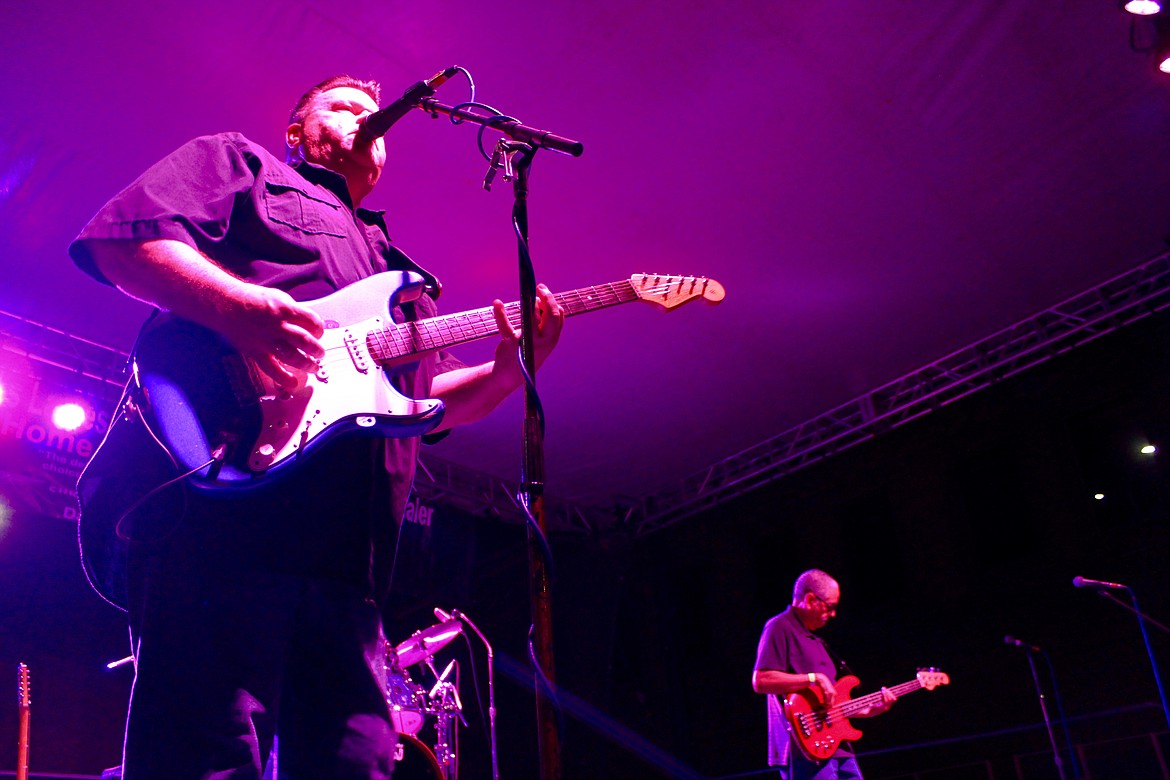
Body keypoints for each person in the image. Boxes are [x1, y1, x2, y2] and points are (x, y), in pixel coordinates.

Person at [68, 74, 564, 780]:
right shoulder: (240, 165)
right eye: (342, 105)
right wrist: (243, 308)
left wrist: (512, 370)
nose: (365, 116)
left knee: (355, 765)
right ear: (296, 131)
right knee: (201, 753)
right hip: (221, 522)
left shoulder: (399, 273)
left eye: (373, 113)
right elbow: (126, 244)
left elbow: (427, 401)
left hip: (349, 568)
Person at [752, 569, 896, 780]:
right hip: (802, 748)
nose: (833, 614)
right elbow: (761, 680)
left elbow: (832, 705)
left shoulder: (818, 643)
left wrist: (871, 710)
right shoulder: (779, 627)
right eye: (830, 606)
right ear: (810, 599)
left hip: (837, 745)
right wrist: (814, 678)